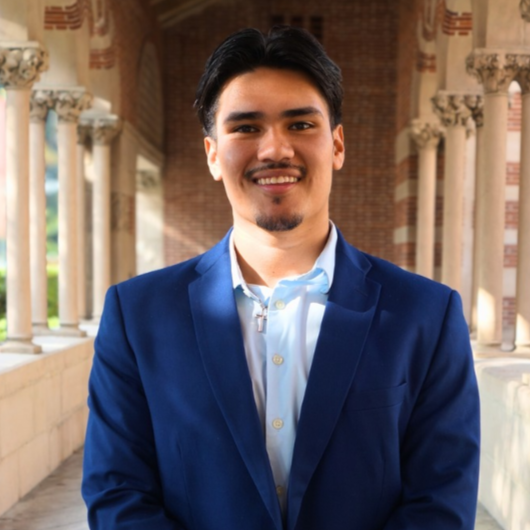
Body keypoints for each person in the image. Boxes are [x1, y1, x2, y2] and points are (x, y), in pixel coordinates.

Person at [82, 26, 480, 530]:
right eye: (247, 127)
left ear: (337, 145)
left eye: (300, 124)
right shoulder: (137, 317)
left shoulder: (426, 316)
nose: (274, 149)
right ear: (212, 154)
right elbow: (117, 494)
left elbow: (441, 502)